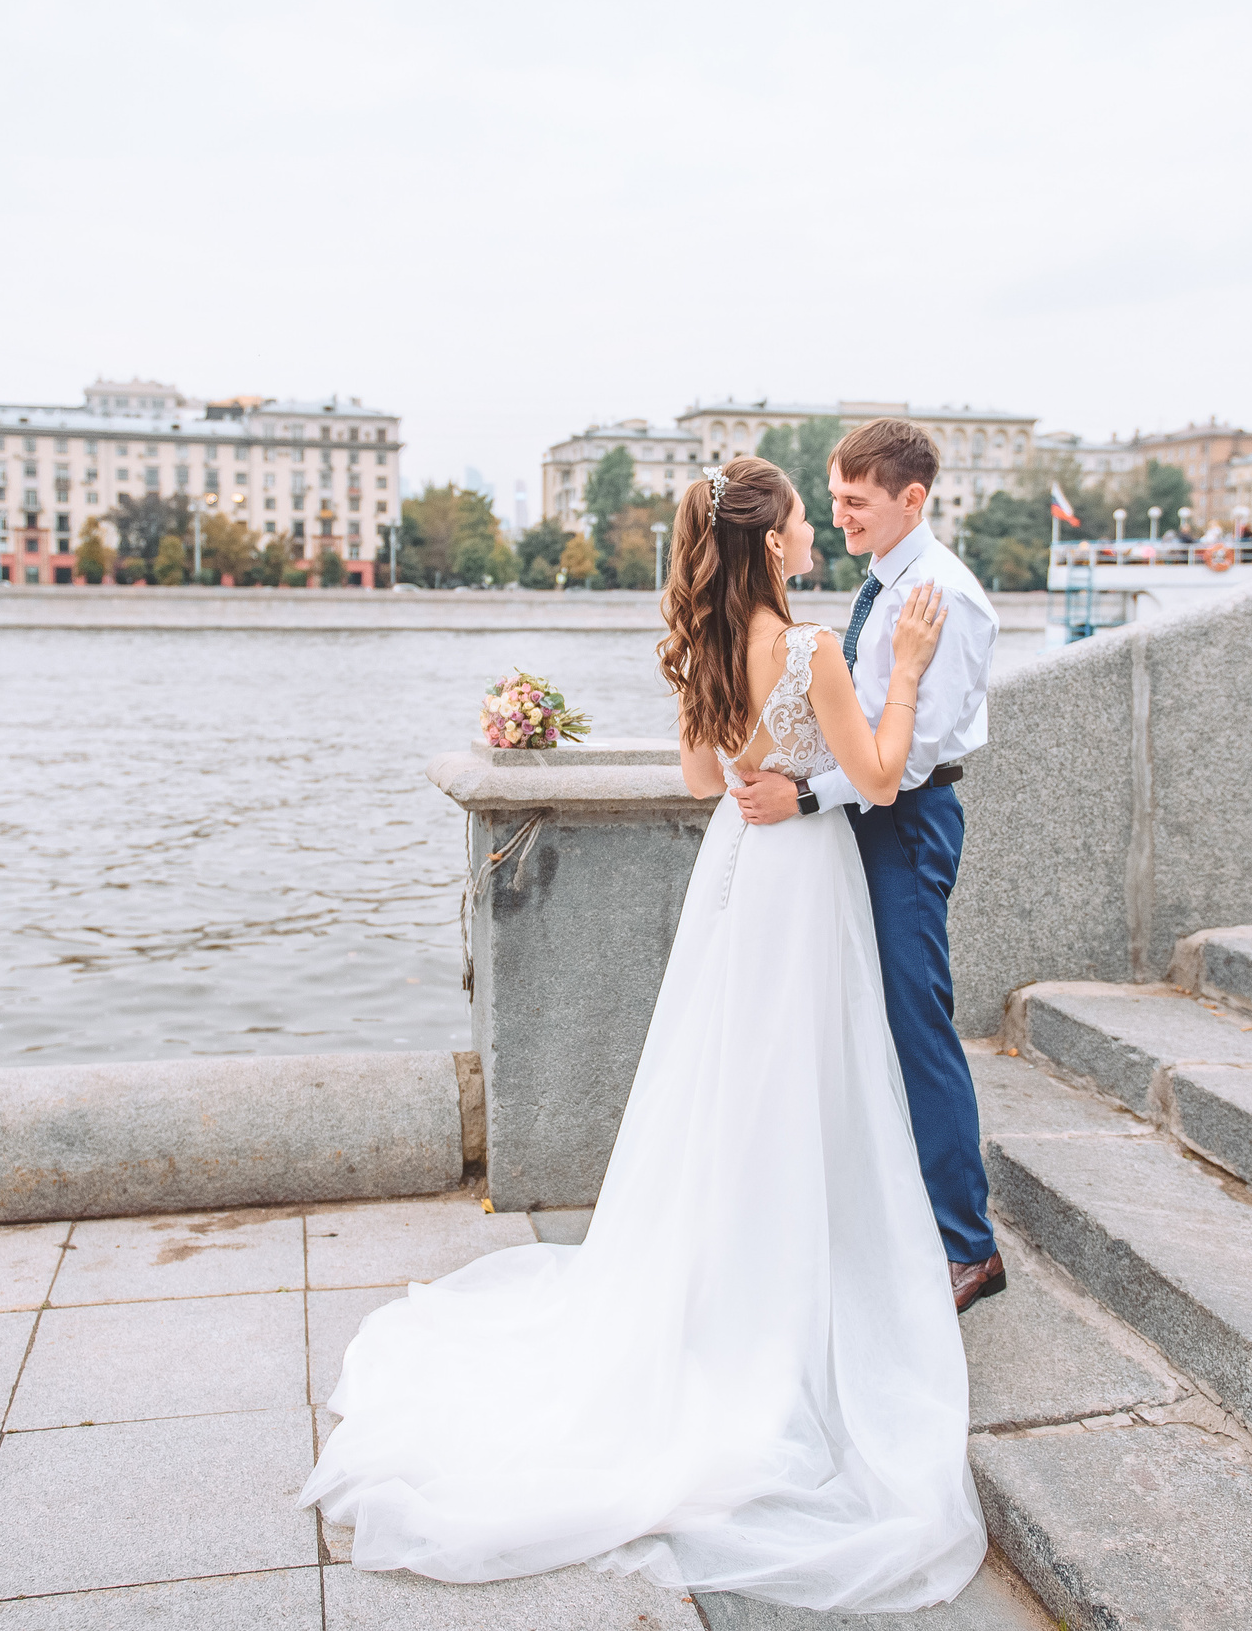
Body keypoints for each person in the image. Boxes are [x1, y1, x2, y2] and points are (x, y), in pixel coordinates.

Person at [301, 455, 986, 1613]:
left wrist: (761, 771)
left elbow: (695, 773)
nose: (818, 529)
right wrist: (905, 672)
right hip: (804, 884)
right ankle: (795, 1280)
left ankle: (732, 1272)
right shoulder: (813, 648)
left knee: (728, 1081)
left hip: (739, 876)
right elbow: (874, 774)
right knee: (797, 1077)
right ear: (771, 542)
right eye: (806, 518)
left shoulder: (710, 649)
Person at [731, 417, 1004, 1312]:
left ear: (910, 498)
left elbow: (910, 759)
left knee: (917, 1024)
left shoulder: (942, 596)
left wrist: (808, 798)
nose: (841, 515)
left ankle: (968, 1244)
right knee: (863, 1020)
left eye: (856, 500)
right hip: (866, 816)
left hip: (908, 821)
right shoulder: (888, 584)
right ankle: (890, 1218)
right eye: (835, 500)